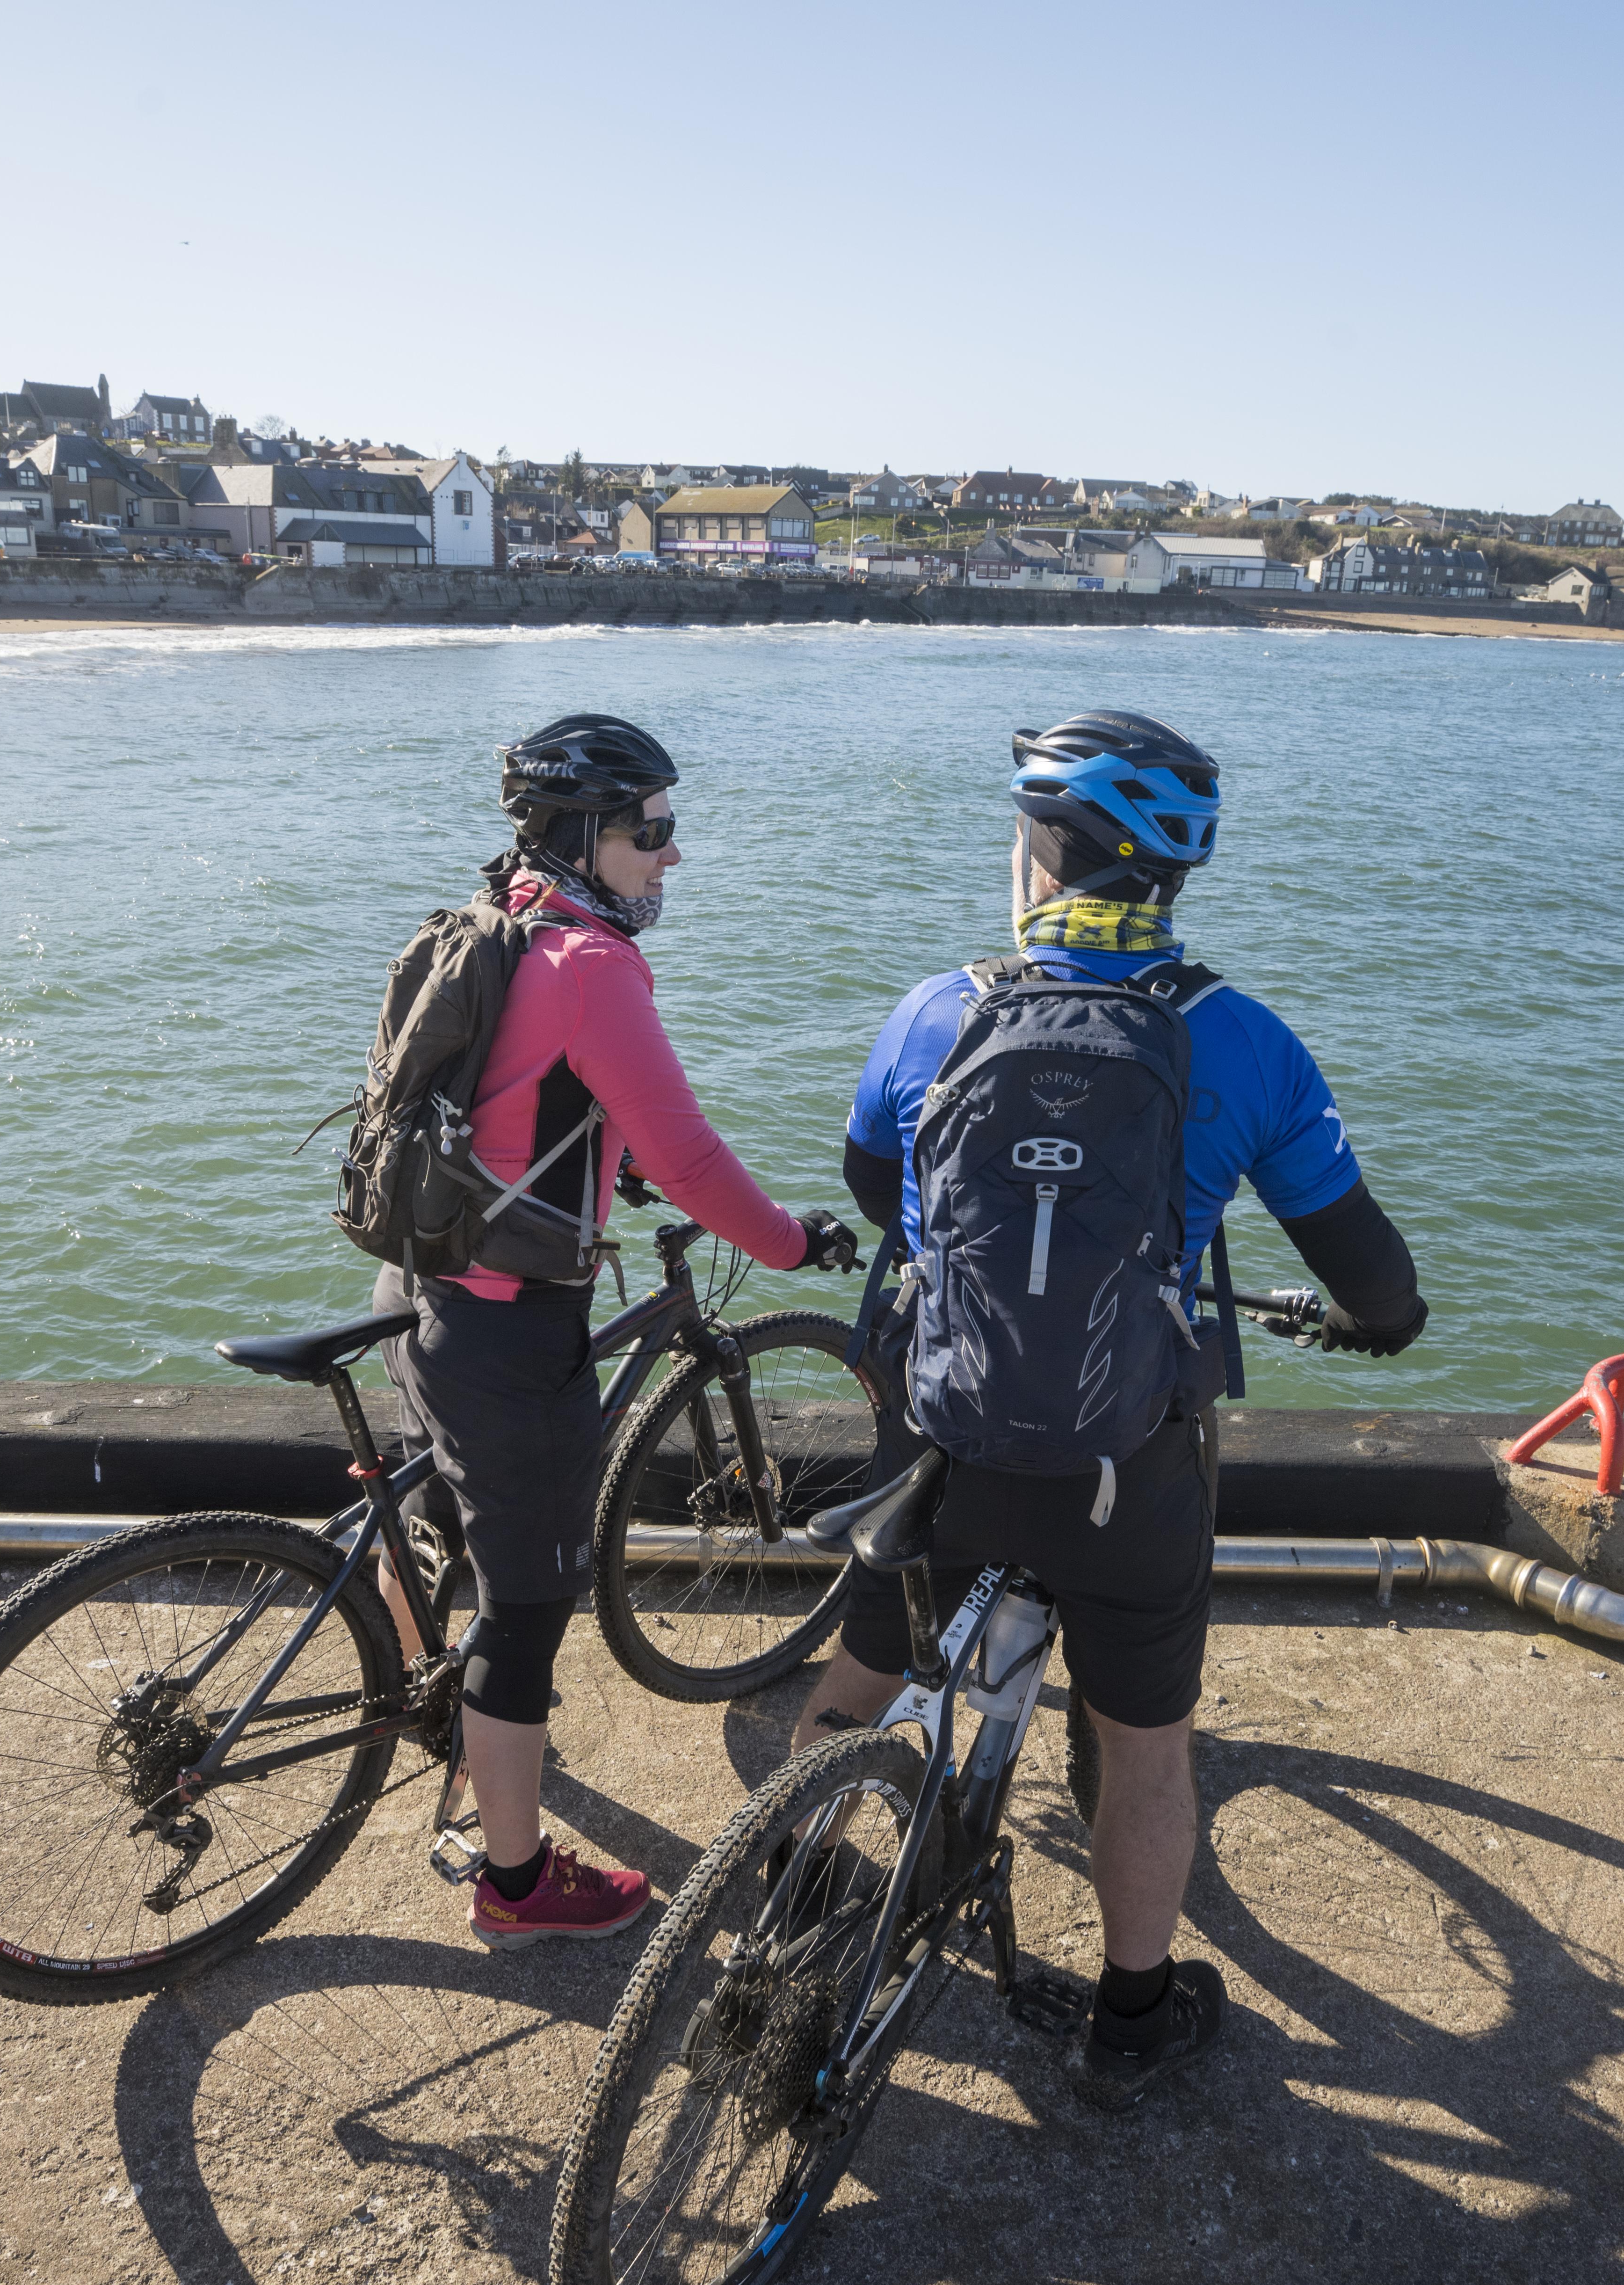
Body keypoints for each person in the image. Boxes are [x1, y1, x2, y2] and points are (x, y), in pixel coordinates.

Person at [789, 707, 1428, 2104]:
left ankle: (790, 1879)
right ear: (1174, 872)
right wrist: (1380, 1327)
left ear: (1040, 853)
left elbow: (867, 1185)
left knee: (868, 1666)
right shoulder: (1245, 1041)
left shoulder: (932, 1007)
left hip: (939, 1427)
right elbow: (1370, 1273)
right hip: (1126, 1458)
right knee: (1144, 1742)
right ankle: (1131, 2018)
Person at [378, 712, 856, 1948]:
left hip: (421, 1282)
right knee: (528, 1608)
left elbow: (505, 1097)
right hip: (505, 1329)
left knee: (428, 1508)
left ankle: (416, 1697)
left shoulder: (501, 916)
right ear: (588, 837)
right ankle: (518, 1882)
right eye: (652, 831)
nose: (671, 856)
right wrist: (792, 1243)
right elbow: (693, 1156)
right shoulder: (593, 965)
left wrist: (602, 1162)